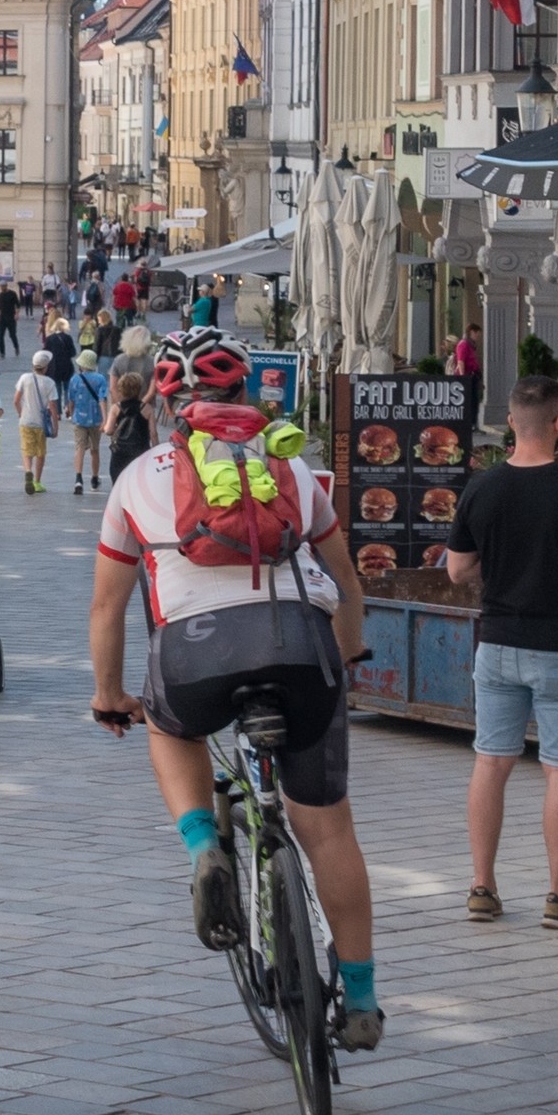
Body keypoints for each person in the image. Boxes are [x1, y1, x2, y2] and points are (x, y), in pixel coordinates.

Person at [87, 328, 384, 1050]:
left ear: (164, 401)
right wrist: (344, 661)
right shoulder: (296, 467)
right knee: (330, 828)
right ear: (247, 394)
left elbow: (107, 607)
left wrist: (109, 695)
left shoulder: (139, 478)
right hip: (302, 643)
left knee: (169, 724)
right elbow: (346, 580)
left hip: (195, 655)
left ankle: (202, 847)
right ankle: (365, 999)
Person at [447, 375, 558, 929]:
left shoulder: (481, 487)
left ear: (509, 423)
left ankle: (482, 886)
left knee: (491, 762)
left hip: (497, 642)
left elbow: (456, 570)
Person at [15, 350, 60, 494]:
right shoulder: (50, 383)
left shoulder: (25, 378)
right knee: (40, 452)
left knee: (26, 450)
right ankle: (37, 481)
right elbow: (53, 406)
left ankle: (28, 471)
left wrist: (20, 413)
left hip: (26, 420)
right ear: (46, 367)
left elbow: (16, 400)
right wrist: (55, 426)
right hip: (41, 423)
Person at [66, 350, 110, 495]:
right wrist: (105, 419)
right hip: (96, 420)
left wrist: (71, 413)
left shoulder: (75, 379)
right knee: (95, 450)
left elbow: (71, 400)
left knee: (79, 448)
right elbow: (102, 399)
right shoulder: (101, 379)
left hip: (79, 418)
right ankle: (94, 478)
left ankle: (78, 478)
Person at [105, 370, 151, 483]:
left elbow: (108, 430)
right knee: (138, 483)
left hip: (120, 451)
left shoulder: (116, 408)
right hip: (140, 450)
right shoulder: (147, 408)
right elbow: (153, 433)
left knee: (118, 483)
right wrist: (155, 450)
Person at [454, 324, 484, 419]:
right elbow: (461, 361)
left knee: (475, 400)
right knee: (470, 401)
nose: (478, 337)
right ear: (471, 332)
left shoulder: (470, 345)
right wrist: (463, 378)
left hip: (473, 376)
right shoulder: (464, 344)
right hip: (468, 376)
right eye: (477, 334)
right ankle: (471, 423)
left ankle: (474, 422)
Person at [43, 317, 78, 394]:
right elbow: (73, 353)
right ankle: (67, 405)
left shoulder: (49, 338)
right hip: (67, 367)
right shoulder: (68, 338)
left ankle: (58, 406)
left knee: (57, 391)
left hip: (54, 367)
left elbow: (45, 353)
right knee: (68, 390)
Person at [0, 282, 22, 358]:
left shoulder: (12, 294)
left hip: (11, 317)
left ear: (6, 286)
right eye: (1, 286)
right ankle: (2, 353)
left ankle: (16, 347)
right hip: (2, 318)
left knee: (12, 335)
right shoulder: (0, 295)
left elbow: (17, 305)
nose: (2, 288)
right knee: (0, 336)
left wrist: (17, 314)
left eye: (3, 286)